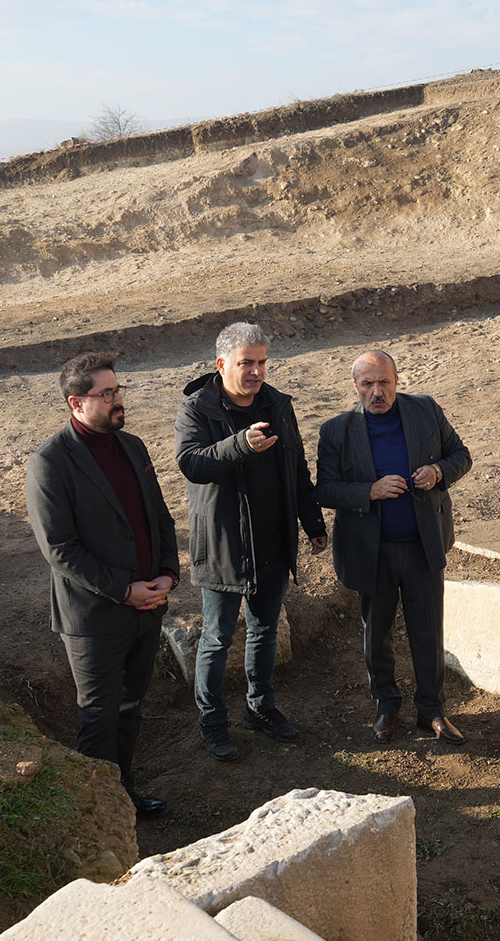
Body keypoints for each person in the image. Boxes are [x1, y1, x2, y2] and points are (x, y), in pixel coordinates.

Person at [25, 352, 179, 819]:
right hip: (94, 619)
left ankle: (124, 797)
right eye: (106, 394)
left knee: (130, 711)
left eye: (119, 391)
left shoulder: (133, 447)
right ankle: (95, 820)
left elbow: (160, 519)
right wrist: (124, 589)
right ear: (76, 403)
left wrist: (168, 574)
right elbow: (60, 549)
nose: (118, 401)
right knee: (98, 720)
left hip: (148, 607)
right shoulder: (50, 463)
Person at [175, 322, 327, 761]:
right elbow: (191, 463)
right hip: (223, 545)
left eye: (261, 362)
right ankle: (213, 721)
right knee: (217, 638)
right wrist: (239, 444)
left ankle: (260, 708)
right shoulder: (197, 409)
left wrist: (312, 522)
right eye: (247, 363)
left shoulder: (278, 405)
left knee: (264, 630)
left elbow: (296, 465)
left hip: (273, 542)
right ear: (222, 364)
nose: (256, 371)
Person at [317, 350, 472, 744]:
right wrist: (369, 491)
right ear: (356, 387)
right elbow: (326, 489)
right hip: (373, 551)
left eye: (384, 382)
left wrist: (438, 471)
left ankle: (432, 710)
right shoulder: (335, 431)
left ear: (397, 380)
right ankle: (386, 705)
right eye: (367, 384)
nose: (377, 392)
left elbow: (461, 456)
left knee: (428, 631)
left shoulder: (425, 411)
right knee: (377, 634)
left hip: (423, 546)